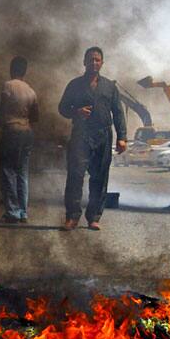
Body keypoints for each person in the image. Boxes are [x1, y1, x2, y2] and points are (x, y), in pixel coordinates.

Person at [58, 46, 127, 230]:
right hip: (81, 135)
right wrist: (76, 111)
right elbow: (62, 108)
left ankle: (94, 217)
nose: (93, 62)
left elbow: (118, 113)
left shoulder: (110, 87)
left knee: (99, 178)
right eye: (90, 59)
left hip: (103, 136)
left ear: (102, 63)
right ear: (84, 62)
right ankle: (72, 217)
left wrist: (122, 137)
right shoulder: (74, 85)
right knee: (75, 176)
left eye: (97, 59)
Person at [0, 56, 39, 223]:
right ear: (25, 71)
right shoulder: (31, 90)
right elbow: (35, 118)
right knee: (22, 172)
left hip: (11, 131)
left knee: (8, 171)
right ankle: (23, 212)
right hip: (27, 133)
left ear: (12, 69)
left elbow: (1, 111)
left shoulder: (9, 85)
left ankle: (12, 211)